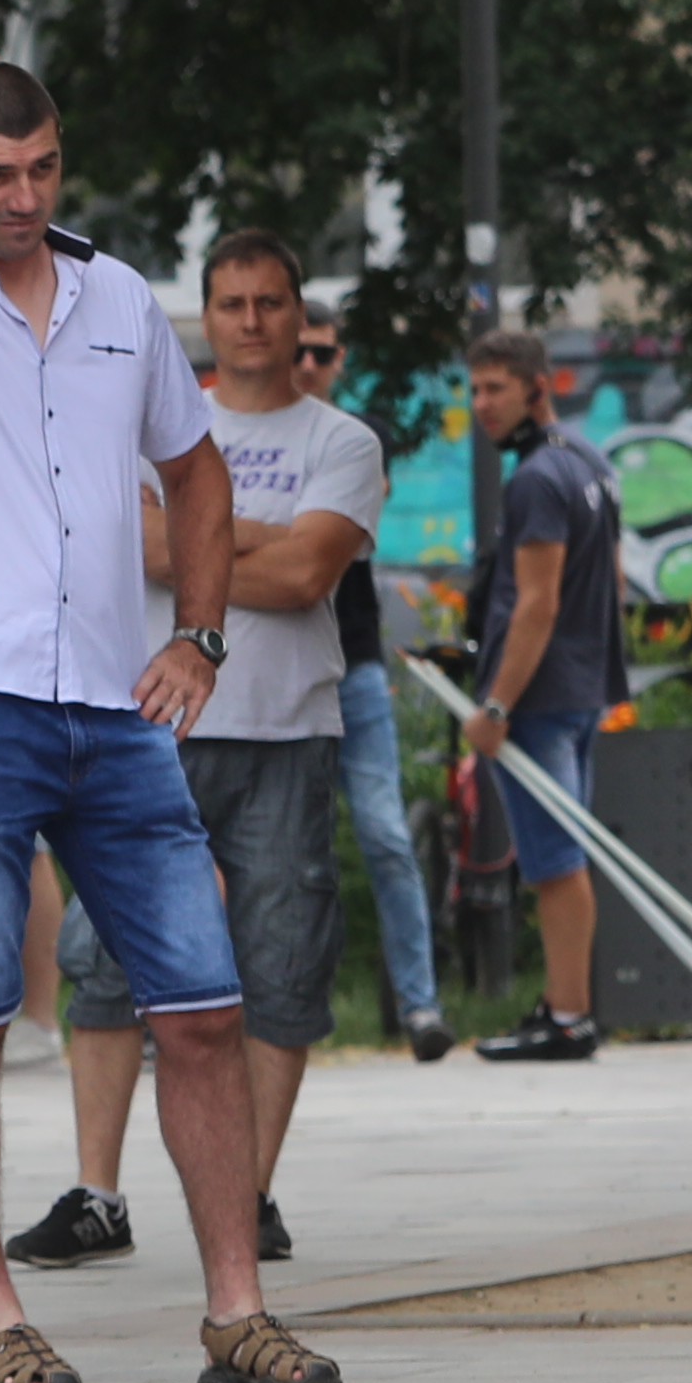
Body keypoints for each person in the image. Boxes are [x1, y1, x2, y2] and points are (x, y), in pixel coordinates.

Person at [0, 36, 331, 1383]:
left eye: (43, 168)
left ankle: (237, 1309)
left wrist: (203, 633)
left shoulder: (115, 295)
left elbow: (196, 470)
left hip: (113, 710)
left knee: (206, 1006)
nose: (23, 195)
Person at [47, 235, 383, 1268]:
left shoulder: (345, 439)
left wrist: (198, 539)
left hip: (288, 728)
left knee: (283, 959)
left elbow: (305, 578)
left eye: (269, 302)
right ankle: (95, 1192)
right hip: (153, 720)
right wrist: (254, 537)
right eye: (231, 302)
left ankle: (253, 1191)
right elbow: (130, 549)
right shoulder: (155, 429)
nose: (249, 320)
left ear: (298, 317)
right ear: (205, 314)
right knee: (102, 957)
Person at [453, 327, 630, 1062]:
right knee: (564, 856)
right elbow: (612, 580)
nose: (481, 404)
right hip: (584, 683)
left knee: (554, 861)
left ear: (538, 386)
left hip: (539, 696)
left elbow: (536, 605)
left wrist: (495, 706)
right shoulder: (588, 461)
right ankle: (568, 1007)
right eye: (475, 388)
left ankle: (568, 1014)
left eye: (496, 388)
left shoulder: (533, 480)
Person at [299, 306, 454, 1060]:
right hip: (279, 669)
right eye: (298, 351)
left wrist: (278, 537)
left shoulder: (358, 437)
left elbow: (343, 539)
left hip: (353, 663)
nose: (306, 366)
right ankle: (283, 1008)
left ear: (340, 359)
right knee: (280, 848)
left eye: (321, 354)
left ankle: (421, 1005)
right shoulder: (240, 434)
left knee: (387, 835)